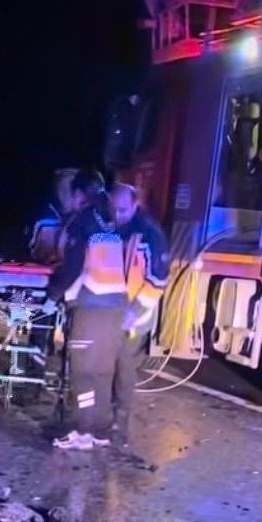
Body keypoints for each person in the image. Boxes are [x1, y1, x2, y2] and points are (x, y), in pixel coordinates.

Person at [44, 176, 168, 451]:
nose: (118, 215)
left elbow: (158, 278)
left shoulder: (146, 232)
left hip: (128, 313)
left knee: (108, 372)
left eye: (123, 210)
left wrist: (135, 311)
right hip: (116, 309)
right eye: (115, 209)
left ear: (136, 204)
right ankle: (102, 430)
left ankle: (100, 429)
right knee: (104, 372)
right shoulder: (117, 229)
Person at [28, 167, 78, 265]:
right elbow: (34, 254)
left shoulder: (89, 222)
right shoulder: (44, 224)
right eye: (63, 190)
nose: (67, 195)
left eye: (71, 190)